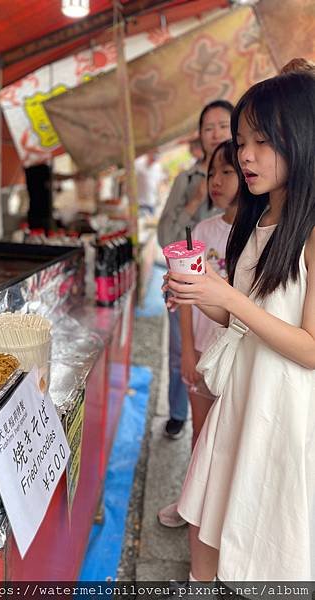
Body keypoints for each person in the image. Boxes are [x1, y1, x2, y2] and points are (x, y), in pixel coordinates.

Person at [165, 71, 315, 581]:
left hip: (283, 410)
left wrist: (227, 296)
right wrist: (202, 294)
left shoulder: (311, 233)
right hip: (240, 397)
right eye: (241, 141)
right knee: (207, 519)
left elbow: (311, 348)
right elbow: (242, 317)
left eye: (262, 142)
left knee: (270, 538)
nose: (245, 155)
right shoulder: (255, 221)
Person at [158, 140, 239, 528]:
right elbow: (186, 299)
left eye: (227, 172)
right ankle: (190, 505)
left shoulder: (259, 234)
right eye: (211, 173)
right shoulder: (203, 232)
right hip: (203, 351)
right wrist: (186, 351)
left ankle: (218, 517)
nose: (216, 181)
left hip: (236, 356)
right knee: (199, 436)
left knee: (228, 445)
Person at [157, 100, 233, 439]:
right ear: (200, 136)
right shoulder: (186, 180)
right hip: (187, 291)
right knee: (181, 354)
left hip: (227, 313)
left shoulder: (255, 193)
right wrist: (193, 200)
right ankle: (177, 413)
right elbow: (165, 237)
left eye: (223, 126)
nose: (215, 133)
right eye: (208, 127)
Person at [135, 150, 164, 216]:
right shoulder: (138, 162)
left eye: (155, 159)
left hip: (151, 202)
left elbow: (158, 183)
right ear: (149, 154)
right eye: (152, 158)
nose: (153, 161)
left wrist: (159, 198)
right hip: (139, 203)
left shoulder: (158, 167)